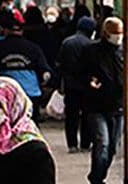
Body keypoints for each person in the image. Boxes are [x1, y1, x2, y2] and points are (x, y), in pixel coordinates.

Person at [80, 17, 128, 184]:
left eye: (121, 33)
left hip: (118, 106)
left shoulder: (127, 52)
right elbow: (80, 73)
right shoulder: (91, 51)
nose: (118, 36)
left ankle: (97, 176)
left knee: (113, 148)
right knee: (102, 144)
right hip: (95, 106)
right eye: (115, 33)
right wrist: (89, 81)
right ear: (105, 33)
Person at [0, 15, 53, 113]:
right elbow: (44, 70)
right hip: (30, 92)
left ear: (5, 31)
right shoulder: (33, 47)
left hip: (5, 92)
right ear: (22, 31)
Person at [57, 16, 96, 153]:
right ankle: (85, 143)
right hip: (87, 86)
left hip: (70, 85)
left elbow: (60, 64)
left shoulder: (67, 42)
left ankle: (72, 144)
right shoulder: (91, 45)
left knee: (71, 116)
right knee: (87, 115)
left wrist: (61, 82)